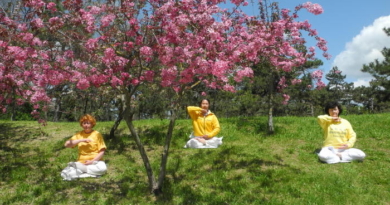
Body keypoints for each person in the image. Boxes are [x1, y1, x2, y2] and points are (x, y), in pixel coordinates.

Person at [61, 114, 107, 180]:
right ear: (82, 124)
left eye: (88, 123)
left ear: (92, 124)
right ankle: (90, 173)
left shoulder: (97, 134)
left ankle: (82, 170)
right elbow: (66, 144)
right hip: (82, 162)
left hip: (96, 162)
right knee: (64, 173)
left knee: (103, 169)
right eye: (84, 123)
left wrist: (91, 161)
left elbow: (102, 151)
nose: (86, 125)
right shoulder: (79, 134)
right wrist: (81, 140)